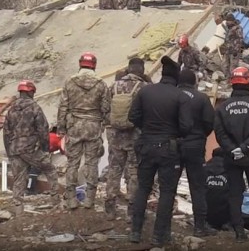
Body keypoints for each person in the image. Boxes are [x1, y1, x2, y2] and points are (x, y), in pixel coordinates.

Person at [128, 56, 193, 246]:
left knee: (143, 189)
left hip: (146, 145)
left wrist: (147, 128)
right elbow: (187, 127)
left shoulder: (145, 92)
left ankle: (135, 232)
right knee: (167, 192)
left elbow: (133, 116)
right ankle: (158, 236)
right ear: (176, 77)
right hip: (169, 148)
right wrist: (172, 132)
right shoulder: (181, 96)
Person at [214, 67, 249, 242]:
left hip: (232, 158)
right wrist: (245, 148)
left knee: (235, 194)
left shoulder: (222, 107)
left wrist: (232, 149)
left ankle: (239, 232)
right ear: (248, 82)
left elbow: (220, 133)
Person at [57, 52, 110, 210]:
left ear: (80, 64)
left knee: (73, 163)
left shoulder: (70, 82)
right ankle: (89, 200)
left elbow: (63, 107)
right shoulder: (101, 84)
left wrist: (61, 128)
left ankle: (72, 199)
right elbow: (106, 108)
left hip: (75, 126)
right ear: (94, 65)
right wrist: (103, 123)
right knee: (92, 163)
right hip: (93, 127)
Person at [3, 80, 57, 215]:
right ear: (31, 92)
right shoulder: (35, 108)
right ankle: (57, 201)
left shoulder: (11, 109)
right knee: (50, 169)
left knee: (19, 179)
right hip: (30, 148)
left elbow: (6, 133)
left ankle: (18, 210)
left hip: (15, 149)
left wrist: (9, 152)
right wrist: (45, 147)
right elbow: (43, 129)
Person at [105, 58, 149, 220]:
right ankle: (131, 210)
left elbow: (105, 110)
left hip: (115, 136)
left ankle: (110, 207)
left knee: (114, 169)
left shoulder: (113, 86)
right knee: (134, 171)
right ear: (142, 70)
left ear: (128, 69)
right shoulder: (144, 88)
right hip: (134, 137)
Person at [177, 69, 217, 237]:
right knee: (198, 186)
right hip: (195, 146)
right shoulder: (201, 98)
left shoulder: (172, 95)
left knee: (169, 186)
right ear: (194, 82)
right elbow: (209, 123)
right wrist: (199, 137)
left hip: (175, 145)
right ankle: (200, 226)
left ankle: (162, 229)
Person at [205, 148, 230, 230]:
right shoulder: (230, 169)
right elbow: (242, 188)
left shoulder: (204, 168)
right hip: (225, 215)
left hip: (207, 214)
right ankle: (228, 223)